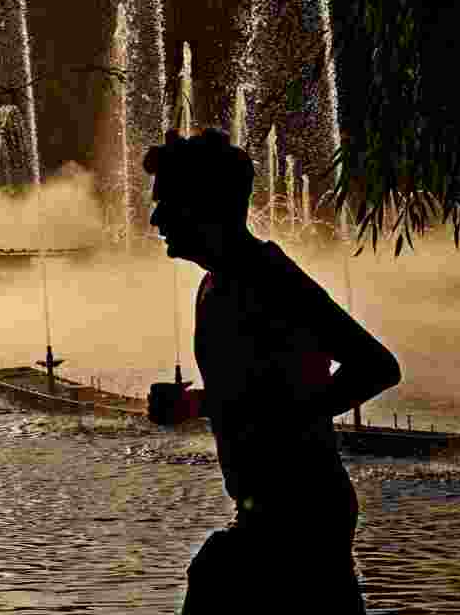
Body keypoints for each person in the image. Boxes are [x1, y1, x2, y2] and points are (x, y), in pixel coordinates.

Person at [144, 127, 401, 613]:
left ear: (205, 206)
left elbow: (375, 366)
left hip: (302, 517)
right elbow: (259, 387)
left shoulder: (270, 278)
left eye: (167, 203)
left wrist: (287, 419)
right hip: (265, 514)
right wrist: (196, 404)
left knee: (213, 582)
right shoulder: (216, 284)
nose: (155, 218)